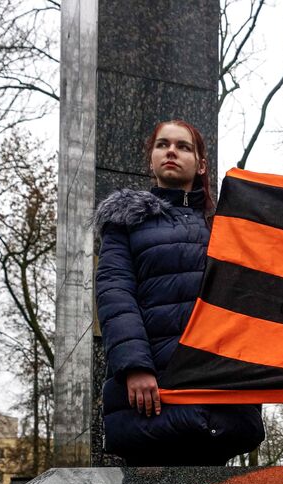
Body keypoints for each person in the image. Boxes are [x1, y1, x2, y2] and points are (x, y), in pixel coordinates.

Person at [94, 119, 264, 466]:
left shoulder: (227, 228)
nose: (171, 151)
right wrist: (135, 367)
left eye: (183, 146)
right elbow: (115, 294)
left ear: (201, 164)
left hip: (218, 394)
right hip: (150, 395)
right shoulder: (126, 223)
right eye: (163, 145)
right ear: (152, 160)